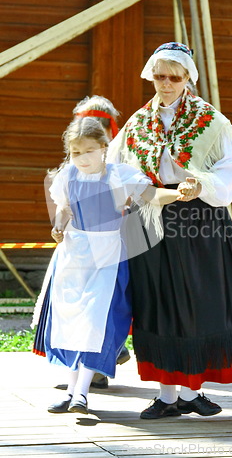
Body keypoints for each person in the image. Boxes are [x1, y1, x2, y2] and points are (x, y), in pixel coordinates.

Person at [107, 42, 232, 419]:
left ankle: (192, 391)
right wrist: (145, 188)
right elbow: (116, 162)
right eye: (159, 76)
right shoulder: (138, 121)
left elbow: (228, 170)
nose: (165, 84)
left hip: (198, 220)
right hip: (150, 217)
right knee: (156, 303)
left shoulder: (212, 121)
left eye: (173, 77)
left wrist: (200, 184)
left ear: (188, 79)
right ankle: (166, 395)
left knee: (197, 301)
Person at [35, 116, 181, 414]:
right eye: (76, 153)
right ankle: (71, 389)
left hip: (107, 255)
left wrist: (180, 192)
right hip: (75, 256)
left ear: (103, 148)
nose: (82, 158)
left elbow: (151, 194)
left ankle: (83, 392)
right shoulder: (67, 176)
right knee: (70, 322)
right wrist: (59, 225)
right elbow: (64, 208)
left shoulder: (118, 175)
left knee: (95, 322)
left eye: (89, 151)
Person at [74, 95, 130, 386]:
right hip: (81, 248)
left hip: (112, 246)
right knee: (81, 307)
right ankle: (82, 370)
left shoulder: (118, 159)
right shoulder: (78, 158)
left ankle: (97, 369)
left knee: (107, 308)